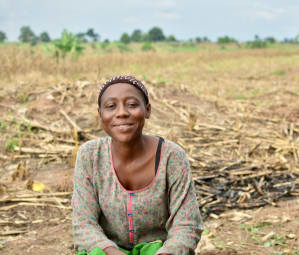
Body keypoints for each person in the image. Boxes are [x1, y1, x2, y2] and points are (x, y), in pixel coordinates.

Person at [72, 75, 203, 255]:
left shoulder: (171, 156)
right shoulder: (90, 155)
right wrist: (111, 251)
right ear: (100, 114)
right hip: (108, 251)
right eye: (111, 106)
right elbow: (83, 223)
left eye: (132, 104)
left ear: (147, 110)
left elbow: (187, 224)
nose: (122, 113)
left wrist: (166, 252)